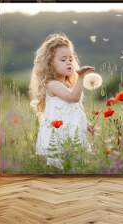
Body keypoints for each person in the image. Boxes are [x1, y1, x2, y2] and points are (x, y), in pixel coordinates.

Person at [29, 33, 94, 169]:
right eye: (63, 59)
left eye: (70, 59)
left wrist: (86, 124)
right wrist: (81, 76)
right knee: (62, 165)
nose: (69, 62)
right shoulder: (52, 85)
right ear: (50, 64)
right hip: (59, 136)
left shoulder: (68, 86)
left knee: (76, 164)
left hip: (72, 133)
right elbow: (73, 97)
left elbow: (76, 108)